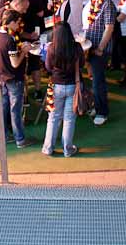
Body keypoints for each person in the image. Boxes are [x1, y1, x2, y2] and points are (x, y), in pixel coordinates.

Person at [0, 9, 34, 148]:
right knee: (15, 110)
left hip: (2, 76)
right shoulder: (9, 39)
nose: (18, 26)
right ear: (11, 22)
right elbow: (15, 63)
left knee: (5, 107)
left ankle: (4, 135)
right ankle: (20, 139)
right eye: (17, 23)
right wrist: (24, 51)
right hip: (14, 78)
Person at [42, 22, 84, 157]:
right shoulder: (76, 47)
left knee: (53, 118)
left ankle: (48, 148)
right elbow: (82, 64)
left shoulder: (51, 48)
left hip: (56, 86)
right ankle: (68, 149)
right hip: (73, 85)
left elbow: (48, 67)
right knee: (69, 119)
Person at [83, 0, 117, 126]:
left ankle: (102, 112)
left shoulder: (107, 5)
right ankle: (97, 106)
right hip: (90, 47)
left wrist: (101, 48)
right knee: (94, 80)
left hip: (100, 50)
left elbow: (109, 28)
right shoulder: (93, 2)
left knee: (98, 82)